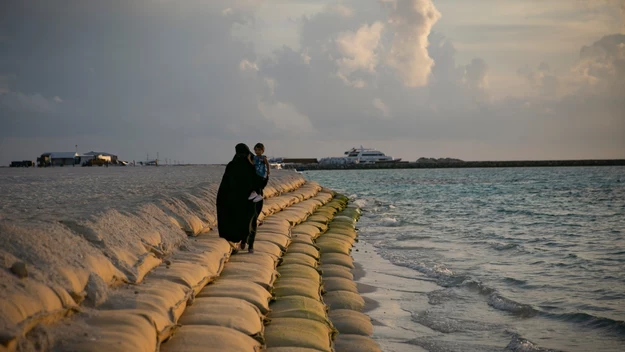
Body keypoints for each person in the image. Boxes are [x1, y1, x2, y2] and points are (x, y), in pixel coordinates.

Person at [216, 143, 257, 253]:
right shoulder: (235, 165)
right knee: (239, 219)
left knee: (247, 220)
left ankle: (246, 242)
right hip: (238, 198)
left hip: (245, 197)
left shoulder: (249, 164)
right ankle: (239, 242)